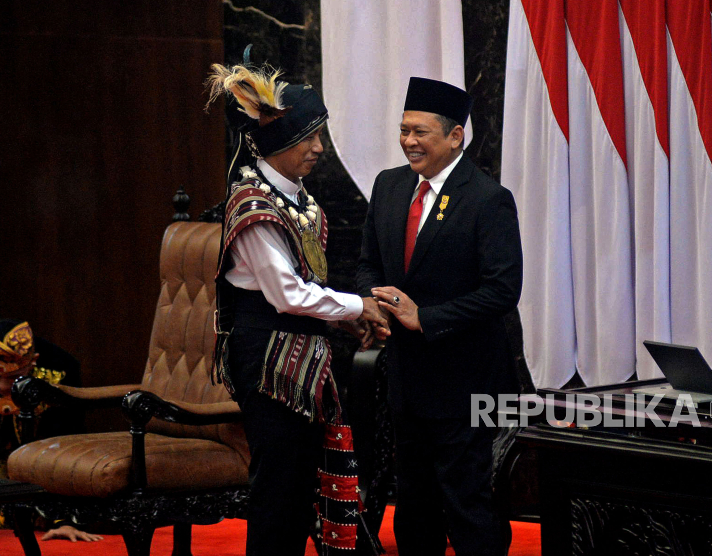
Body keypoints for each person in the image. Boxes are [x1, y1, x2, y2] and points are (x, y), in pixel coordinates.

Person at [205, 64, 388, 556]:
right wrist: (358, 308)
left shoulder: (297, 199)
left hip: (303, 358)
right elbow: (289, 295)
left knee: (302, 481)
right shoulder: (253, 205)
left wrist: (350, 322)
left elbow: (308, 292)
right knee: (279, 488)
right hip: (269, 361)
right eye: (310, 137)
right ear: (279, 142)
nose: (319, 149)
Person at [356, 77, 523, 556]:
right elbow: (368, 260)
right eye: (404, 130)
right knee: (414, 505)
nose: (409, 141)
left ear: (456, 136)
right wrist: (375, 303)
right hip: (406, 382)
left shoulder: (488, 199)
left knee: (469, 506)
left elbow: (502, 290)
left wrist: (423, 317)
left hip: (466, 383)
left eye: (421, 132)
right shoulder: (389, 185)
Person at [0, 319, 102, 542]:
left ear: (33, 363)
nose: (2, 388)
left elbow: (65, 445)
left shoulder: (60, 372)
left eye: (11, 378)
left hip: (35, 476)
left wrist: (64, 521)